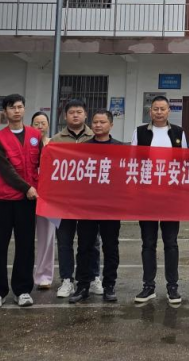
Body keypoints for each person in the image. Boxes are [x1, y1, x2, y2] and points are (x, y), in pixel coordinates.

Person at [0, 94, 41, 309]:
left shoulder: (35, 135)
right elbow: (5, 170)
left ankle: (23, 290)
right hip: (5, 199)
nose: (16, 111)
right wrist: (27, 188)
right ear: (5, 112)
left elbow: (44, 163)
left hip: (27, 200)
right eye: (12, 108)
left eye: (20, 107)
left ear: (24, 109)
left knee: (25, 245)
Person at [131, 95, 187, 306]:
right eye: (156, 108)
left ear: (169, 111)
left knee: (171, 243)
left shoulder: (178, 133)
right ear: (150, 111)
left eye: (163, 109)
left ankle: (173, 287)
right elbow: (133, 160)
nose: (159, 112)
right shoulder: (140, 132)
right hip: (147, 196)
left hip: (171, 196)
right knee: (148, 242)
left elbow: (184, 162)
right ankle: (148, 286)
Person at [69, 110, 123, 304]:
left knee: (111, 247)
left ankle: (109, 285)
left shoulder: (120, 148)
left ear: (111, 125)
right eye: (95, 122)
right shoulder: (84, 148)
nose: (98, 125)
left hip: (111, 206)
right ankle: (83, 285)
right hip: (88, 206)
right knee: (84, 246)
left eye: (102, 122)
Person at [51, 99, 101, 299]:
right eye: (71, 112)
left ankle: (94, 276)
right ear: (65, 116)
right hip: (64, 201)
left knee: (92, 242)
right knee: (64, 241)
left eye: (79, 111)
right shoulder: (56, 140)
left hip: (89, 200)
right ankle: (66, 279)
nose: (75, 115)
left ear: (86, 114)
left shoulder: (96, 137)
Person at [30, 111, 55, 290]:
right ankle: (25, 274)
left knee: (47, 237)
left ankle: (44, 276)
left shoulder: (54, 144)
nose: (40, 126)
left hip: (48, 197)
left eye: (43, 123)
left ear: (48, 125)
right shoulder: (26, 143)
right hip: (28, 193)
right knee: (25, 237)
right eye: (36, 123)